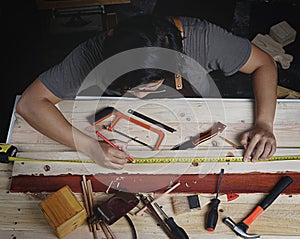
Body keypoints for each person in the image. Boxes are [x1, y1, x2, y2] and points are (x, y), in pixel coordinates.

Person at [16, 15, 277, 169]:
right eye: (128, 89)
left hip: (190, 112)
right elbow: (29, 104)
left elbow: (265, 64)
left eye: (146, 88)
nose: (139, 96)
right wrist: (90, 147)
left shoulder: (206, 41)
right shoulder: (92, 54)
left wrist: (264, 123)